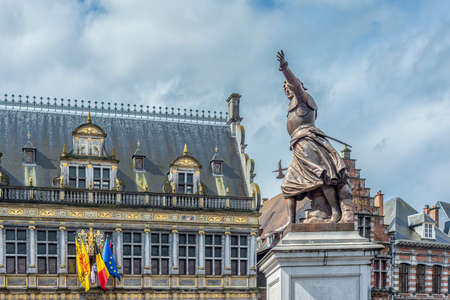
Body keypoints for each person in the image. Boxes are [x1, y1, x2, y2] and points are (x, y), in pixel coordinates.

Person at [277, 50, 353, 224]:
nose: (287, 90)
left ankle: (335, 213)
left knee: (321, 177)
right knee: (288, 185)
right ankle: (291, 222)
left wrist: (284, 68)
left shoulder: (304, 99)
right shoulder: (293, 105)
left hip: (308, 142)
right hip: (298, 146)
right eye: (285, 89)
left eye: (288, 87)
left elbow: (295, 84)